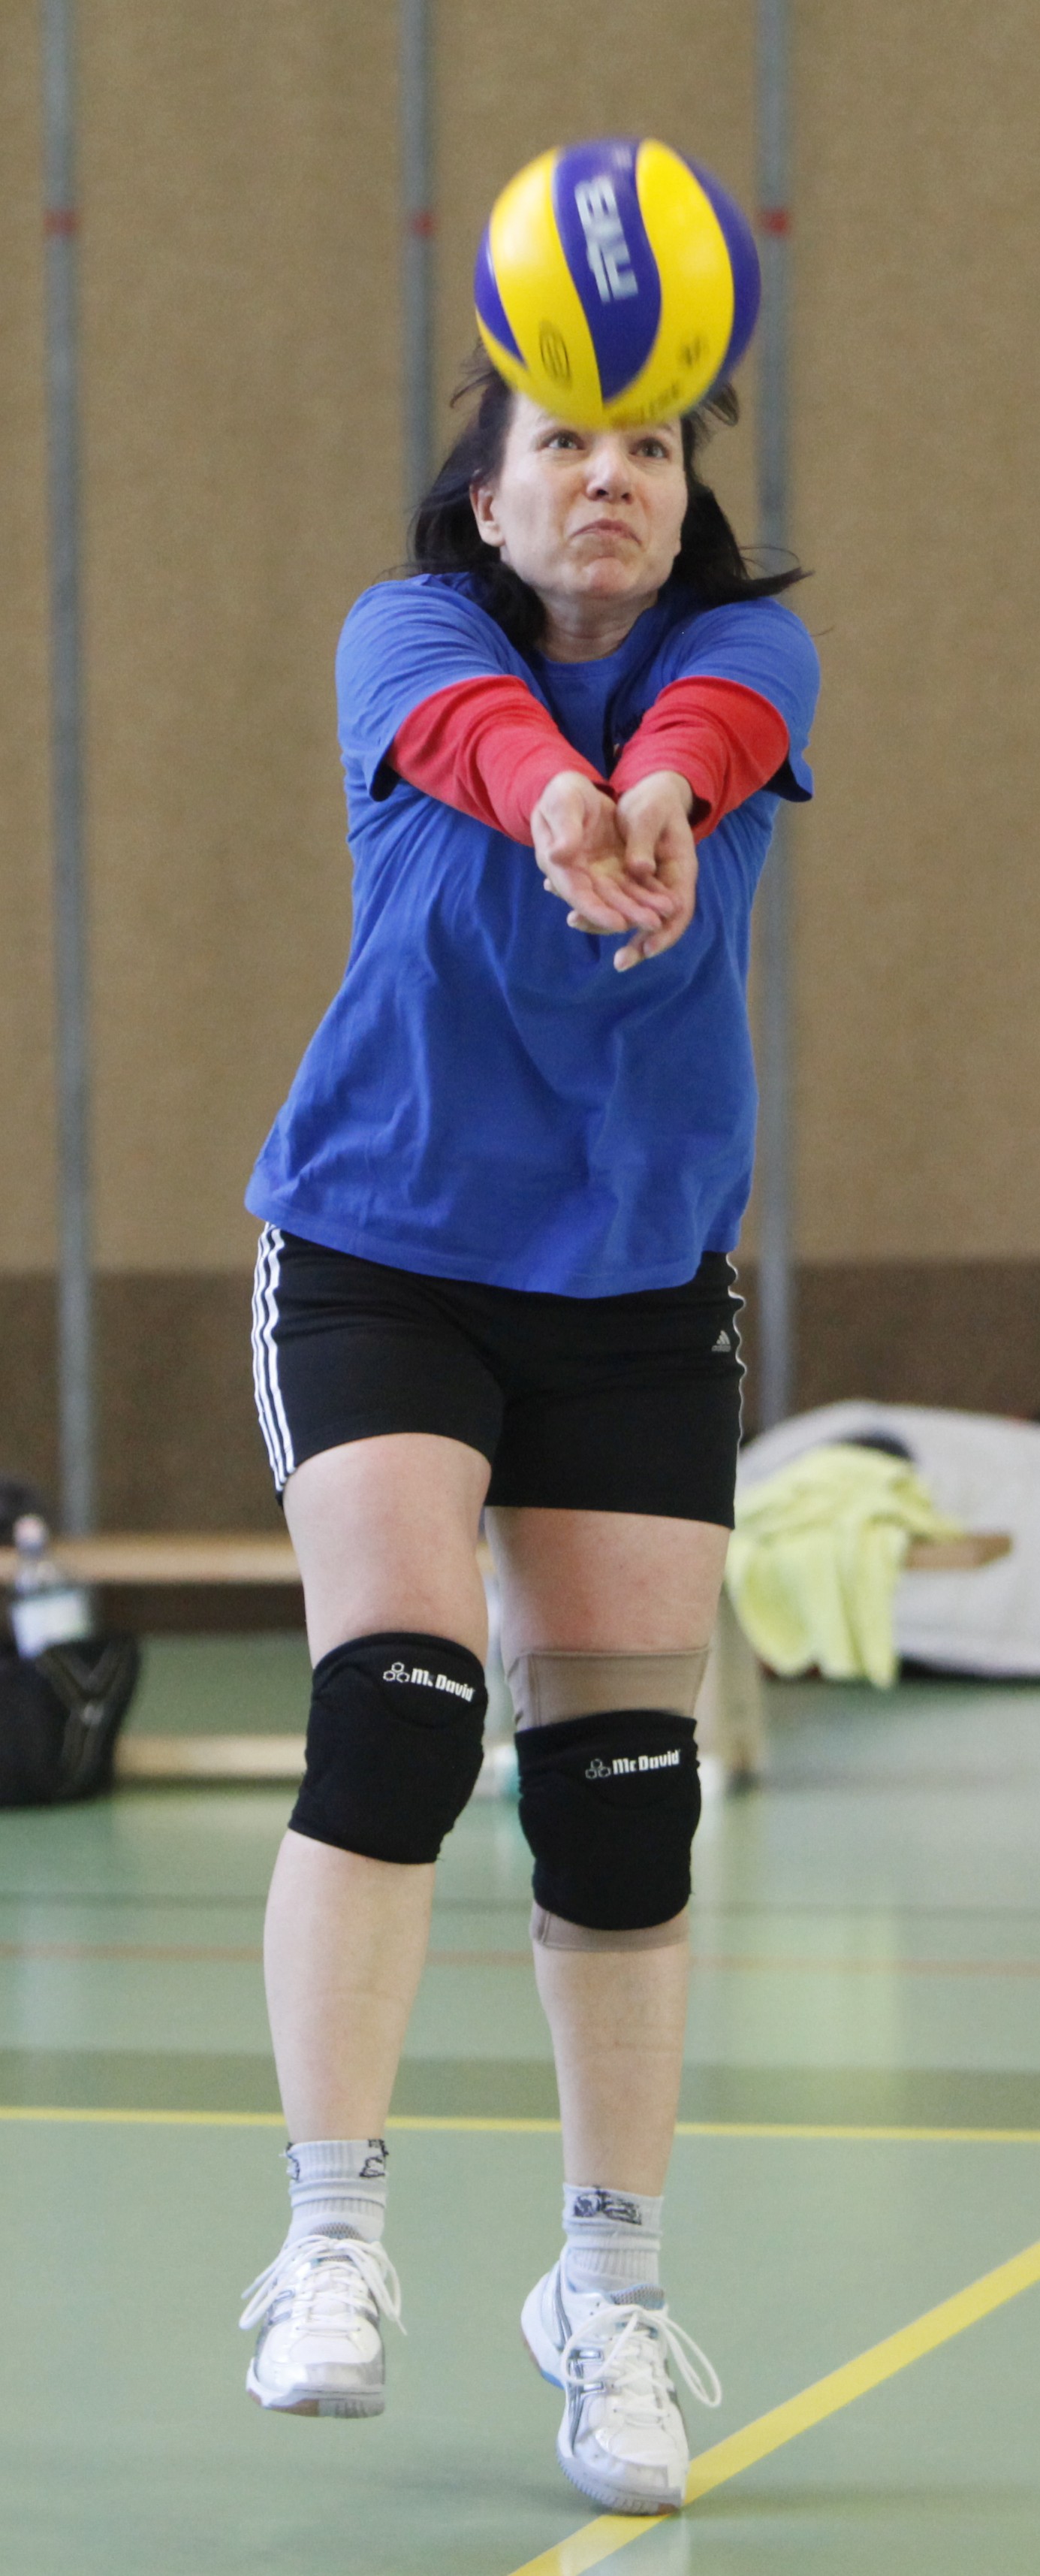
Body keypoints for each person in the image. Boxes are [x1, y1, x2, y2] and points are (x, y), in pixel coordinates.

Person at [239, 353, 819, 2516]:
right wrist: (570, 813)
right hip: (383, 1249)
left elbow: (710, 736)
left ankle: (608, 2290)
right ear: (486, 499)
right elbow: (484, 746)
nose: (608, 478)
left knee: (624, 1793)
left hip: (634, 1282)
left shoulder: (749, 659)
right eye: (561, 444)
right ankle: (329, 2237)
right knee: (397, 1707)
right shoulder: (407, 637)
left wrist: (651, 798)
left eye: (646, 447)